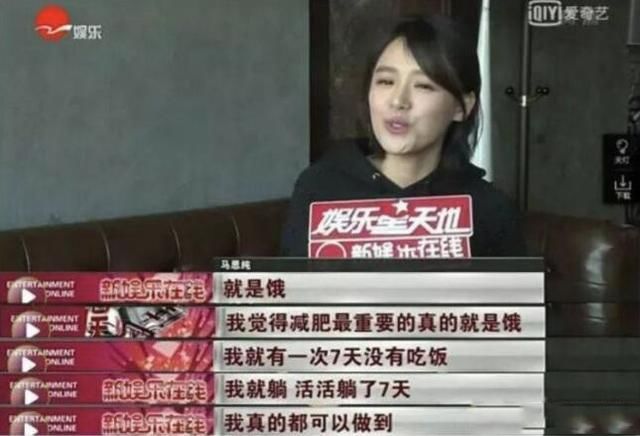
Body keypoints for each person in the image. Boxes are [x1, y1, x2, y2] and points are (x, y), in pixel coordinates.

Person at [281, 16, 526, 257]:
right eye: (386, 81)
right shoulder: (320, 187)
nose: (398, 101)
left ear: (462, 107)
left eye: (423, 86)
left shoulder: (489, 209)